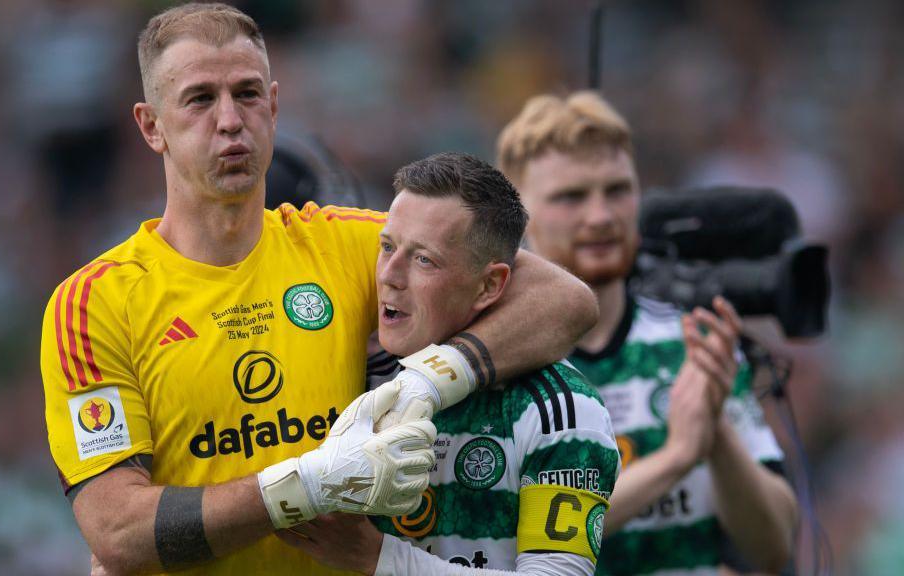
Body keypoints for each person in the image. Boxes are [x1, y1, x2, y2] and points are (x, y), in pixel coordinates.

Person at [39, 4, 598, 575]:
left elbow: (563, 299)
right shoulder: (95, 304)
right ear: (151, 124)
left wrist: (434, 379)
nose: (230, 120)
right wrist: (305, 486)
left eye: (249, 94)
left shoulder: (345, 245)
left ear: (275, 107)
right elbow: (118, 530)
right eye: (201, 98)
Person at [495, 91, 799, 575]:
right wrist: (676, 458)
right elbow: (505, 543)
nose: (601, 215)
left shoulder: (693, 339)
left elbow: (773, 549)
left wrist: (715, 432)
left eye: (617, 189)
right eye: (571, 196)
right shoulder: (495, 361)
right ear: (519, 217)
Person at [276, 152, 620, 575]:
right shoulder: (358, 382)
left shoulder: (560, 408)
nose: (389, 275)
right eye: (386, 247)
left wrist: (378, 559)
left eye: (424, 259)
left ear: (489, 285)